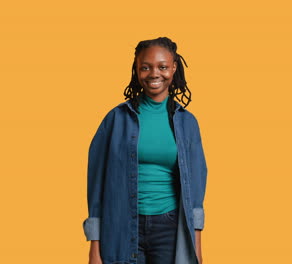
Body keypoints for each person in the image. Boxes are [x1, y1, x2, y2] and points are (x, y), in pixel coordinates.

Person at [82, 37, 208, 264]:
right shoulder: (116, 119)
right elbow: (96, 184)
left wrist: (196, 249)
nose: (154, 74)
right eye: (145, 67)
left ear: (174, 68)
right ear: (136, 70)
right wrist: (94, 247)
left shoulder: (188, 123)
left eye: (162, 66)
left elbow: (196, 192)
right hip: (121, 226)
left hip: (169, 228)